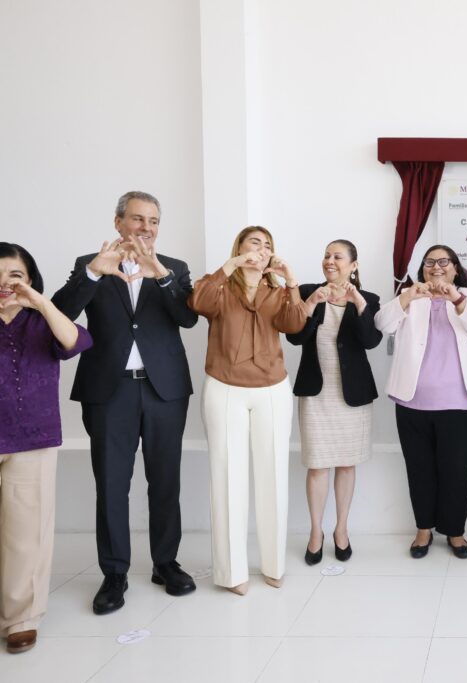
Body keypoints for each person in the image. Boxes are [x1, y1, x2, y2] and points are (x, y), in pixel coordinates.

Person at [52, 191, 199, 615]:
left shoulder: (174, 268)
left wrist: (160, 274)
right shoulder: (89, 263)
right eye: (137, 219)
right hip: (108, 390)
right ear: (118, 223)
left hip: (164, 390)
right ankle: (114, 573)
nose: (146, 228)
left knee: (165, 480)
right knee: (112, 484)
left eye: (153, 221)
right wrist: (96, 274)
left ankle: (165, 564)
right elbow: (60, 313)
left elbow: (187, 318)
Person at [188, 226, 307, 594]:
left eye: (268, 244)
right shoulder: (221, 285)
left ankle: (273, 565)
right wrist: (230, 266)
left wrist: (291, 282)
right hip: (225, 387)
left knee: (273, 476)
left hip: (272, 388)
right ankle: (231, 572)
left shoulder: (277, 289)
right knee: (227, 477)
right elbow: (198, 304)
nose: (262, 248)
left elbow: (294, 324)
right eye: (254, 242)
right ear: (239, 247)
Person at [0, 243, 91, 653]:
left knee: (26, 534)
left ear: (30, 280)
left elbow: (74, 342)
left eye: (14, 275)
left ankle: (20, 618)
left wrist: (39, 302)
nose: (5, 283)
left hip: (32, 436)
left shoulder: (42, 320)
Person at [376, 245, 467, 559]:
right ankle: (424, 528)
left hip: (462, 404)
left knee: (457, 471)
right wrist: (407, 297)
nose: (436, 267)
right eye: (430, 262)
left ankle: (455, 531)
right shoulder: (410, 299)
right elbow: (381, 324)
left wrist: (455, 298)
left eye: (444, 262)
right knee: (419, 469)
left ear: (456, 268)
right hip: (413, 403)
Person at [287, 239, 382, 565]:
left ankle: (341, 529)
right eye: (326, 255)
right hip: (316, 392)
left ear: (353, 265)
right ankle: (316, 532)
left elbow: (371, 341)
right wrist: (312, 301)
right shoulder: (308, 291)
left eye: (337, 257)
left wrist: (358, 304)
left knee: (345, 463)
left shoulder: (368, 299)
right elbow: (294, 335)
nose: (330, 261)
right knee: (317, 466)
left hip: (351, 395)